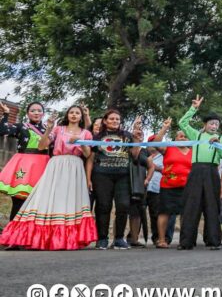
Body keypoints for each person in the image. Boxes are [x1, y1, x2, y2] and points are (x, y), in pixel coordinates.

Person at [0, 105, 96, 250]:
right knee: (47, 199)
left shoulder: (86, 134)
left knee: (69, 201)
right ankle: (38, 237)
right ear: (67, 115)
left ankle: (66, 239)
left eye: (77, 113)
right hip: (56, 164)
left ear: (81, 116)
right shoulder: (58, 130)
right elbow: (41, 146)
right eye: (71, 112)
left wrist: (80, 144)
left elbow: (88, 155)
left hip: (75, 167)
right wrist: (49, 129)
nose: (74, 115)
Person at [87, 110, 149, 250]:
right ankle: (102, 238)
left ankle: (119, 238)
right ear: (105, 120)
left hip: (123, 175)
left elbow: (134, 155)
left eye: (117, 119)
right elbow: (90, 159)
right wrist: (88, 178)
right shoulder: (97, 137)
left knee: (123, 205)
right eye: (112, 119)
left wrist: (137, 141)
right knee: (103, 206)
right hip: (101, 175)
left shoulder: (127, 136)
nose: (115, 121)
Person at [176, 95, 222, 250]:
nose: (214, 126)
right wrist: (194, 108)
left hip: (212, 172)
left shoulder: (221, 138)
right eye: (211, 123)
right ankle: (186, 241)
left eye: (216, 124)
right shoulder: (197, 135)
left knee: (212, 206)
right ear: (205, 124)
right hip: (196, 171)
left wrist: (219, 144)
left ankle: (213, 240)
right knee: (191, 206)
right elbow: (182, 123)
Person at [0, 102, 50, 222]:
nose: (36, 113)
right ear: (28, 113)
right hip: (24, 167)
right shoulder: (20, 126)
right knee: (18, 202)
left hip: (42, 168)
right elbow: (3, 131)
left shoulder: (48, 129)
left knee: (35, 204)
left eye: (39, 110)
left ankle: (27, 235)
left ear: (43, 113)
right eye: (33, 110)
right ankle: (12, 234)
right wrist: (6, 113)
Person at [151, 119, 192, 248]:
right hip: (168, 187)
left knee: (186, 214)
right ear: (175, 138)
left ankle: (184, 240)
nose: (183, 138)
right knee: (164, 213)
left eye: (185, 136)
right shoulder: (168, 148)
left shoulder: (193, 151)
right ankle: (162, 240)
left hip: (187, 187)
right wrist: (164, 128)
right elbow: (155, 143)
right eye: (180, 136)